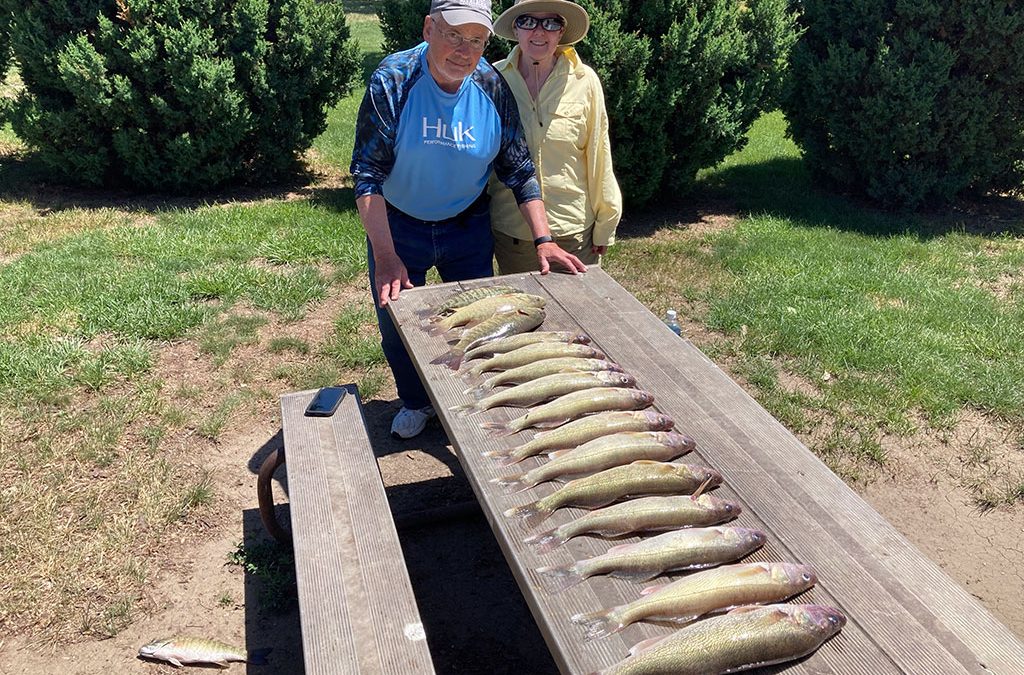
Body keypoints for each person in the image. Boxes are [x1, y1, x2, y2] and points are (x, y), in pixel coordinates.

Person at [350, 0, 587, 439]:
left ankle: (478, 397)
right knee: (397, 326)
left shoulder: (490, 86)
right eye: (454, 35)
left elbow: (518, 167)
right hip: (400, 226)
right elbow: (367, 174)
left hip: (467, 224)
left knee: (482, 323)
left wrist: (544, 239)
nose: (464, 49)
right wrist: (385, 255)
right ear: (428, 29)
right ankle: (417, 401)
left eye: (476, 40)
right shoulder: (395, 79)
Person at [488, 0, 622, 273]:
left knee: (580, 314)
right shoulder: (492, 79)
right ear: (516, 27)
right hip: (514, 235)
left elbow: (599, 153)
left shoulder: (585, 80)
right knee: (525, 312)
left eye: (551, 23)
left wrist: (605, 222)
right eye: (528, 21)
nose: (539, 32)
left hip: (573, 232)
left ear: (561, 31)